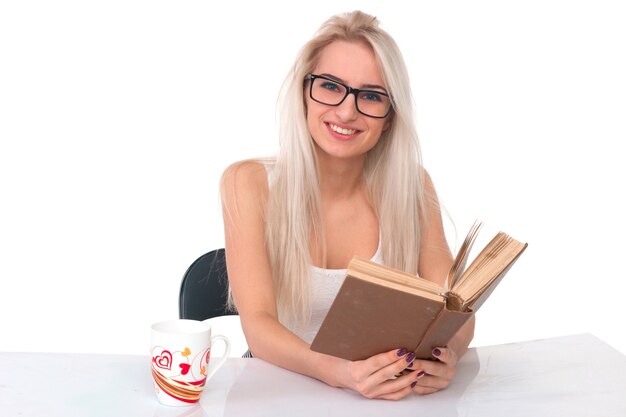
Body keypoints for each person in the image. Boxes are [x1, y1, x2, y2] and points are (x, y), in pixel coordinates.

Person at [220, 10, 475, 400]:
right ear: (304, 92)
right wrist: (340, 373)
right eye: (330, 86)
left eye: (371, 95)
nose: (346, 111)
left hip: (386, 401)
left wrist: (447, 358)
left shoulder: (412, 187)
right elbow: (257, 325)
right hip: (276, 398)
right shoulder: (248, 182)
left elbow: (455, 310)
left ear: (390, 116)